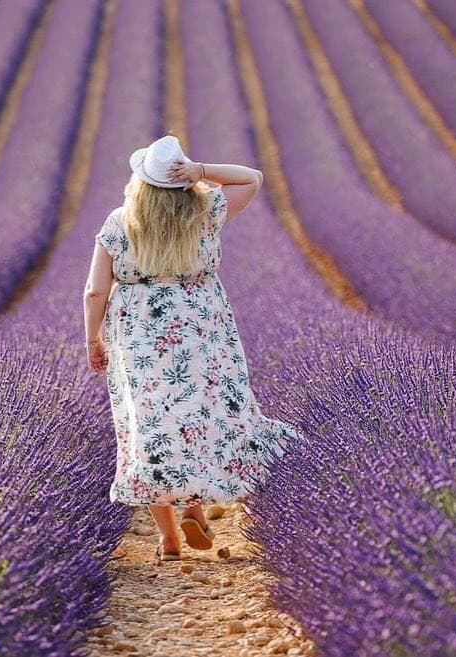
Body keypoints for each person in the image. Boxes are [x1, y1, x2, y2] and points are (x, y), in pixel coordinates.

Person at [83, 135, 302, 564]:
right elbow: (251, 179)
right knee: (197, 416)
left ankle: (167, 539)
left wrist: (93, 340)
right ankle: (195, 508)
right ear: (180, 179)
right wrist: (201, 172)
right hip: (199, 327)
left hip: (138, 332)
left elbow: (95, 291)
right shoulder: (205, 212)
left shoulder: (119, 222)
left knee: (149, 425)